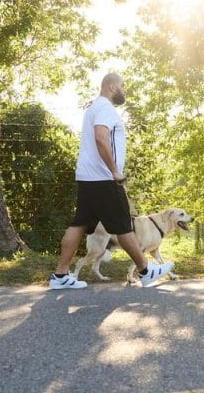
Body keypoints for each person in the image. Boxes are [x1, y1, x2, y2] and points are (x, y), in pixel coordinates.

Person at [49, 73, 174, 289]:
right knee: (123, 225)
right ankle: (146, 270)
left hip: (88, 178)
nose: (124, 90)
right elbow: (101, 137)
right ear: (113, 86)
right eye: (123, 86)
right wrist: (115, 170)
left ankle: (60, 276)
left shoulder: (93, 108)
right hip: (103, 178)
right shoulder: (106, 108)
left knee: (79, 223)